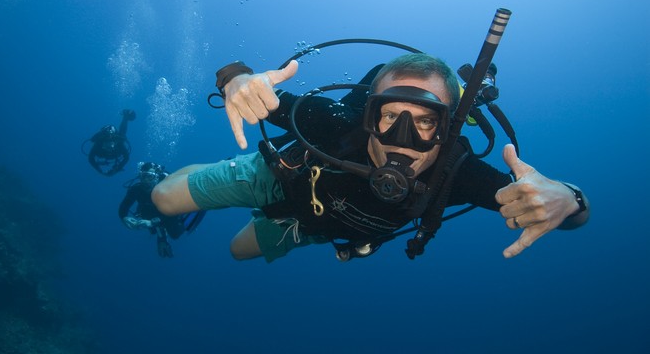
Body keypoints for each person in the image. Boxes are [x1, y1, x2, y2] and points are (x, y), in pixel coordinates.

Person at [151, 52, 590, 263]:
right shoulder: (336, 119)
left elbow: (560, 212)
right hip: (277, 176)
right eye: (389, 117)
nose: (403, 140)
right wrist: (236, 78)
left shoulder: (457, 174)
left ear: (449, 126)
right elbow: (251, 88)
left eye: (425, 122)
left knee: (237, 251)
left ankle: (283, 224)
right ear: (367, 114)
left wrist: (569, 198)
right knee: (163, 199)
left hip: (313, 226)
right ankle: (209, 173)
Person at [119, 161, 206, 258]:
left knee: (175, 234)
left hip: (174, 209)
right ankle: (162, 239)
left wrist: (152, 223)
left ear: (156, 177)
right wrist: (124, 217)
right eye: (143, 176)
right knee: (149, 224)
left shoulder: (166, 188)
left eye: (150, 176)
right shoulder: (136, 189)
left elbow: (173, 210)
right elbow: (124, 206)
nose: (146, 181)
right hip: (157, 212)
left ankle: (197, 211)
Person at [85, 109, 136, 176]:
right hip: (108, 150)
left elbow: (126, 157)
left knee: (122, 135)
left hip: (117, 143)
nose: (108, 148)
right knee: (121, 135)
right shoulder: (98, 144)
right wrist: (98, 169)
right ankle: (125, 117)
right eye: (106, 146)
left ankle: (125, 117)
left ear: (114, 144)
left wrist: (116, 169)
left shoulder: (119, 143)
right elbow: (90, 158)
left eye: (110, 146)